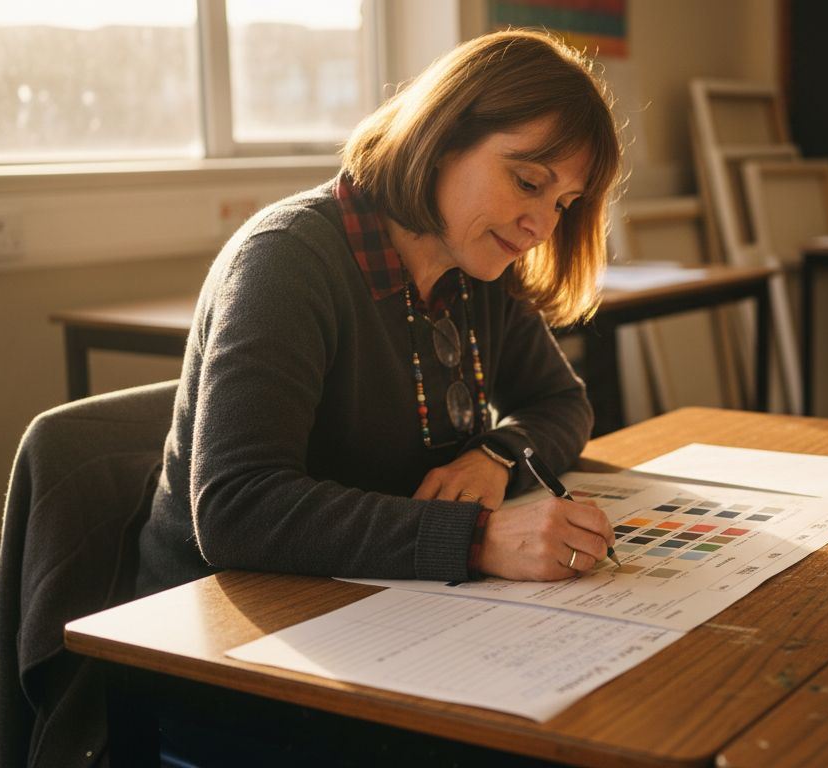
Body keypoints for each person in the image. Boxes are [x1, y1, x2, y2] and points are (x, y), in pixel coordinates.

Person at [136, 29, 623, 597]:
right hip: (221, 621)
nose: (541, 227)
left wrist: (496, 455)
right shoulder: (285, 258)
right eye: (527, 182)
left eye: (562, 204)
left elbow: (561, 401)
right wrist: (476, 538)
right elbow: (237, 509)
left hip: (383, 597)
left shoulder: (479, 263)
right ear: (442, 139)